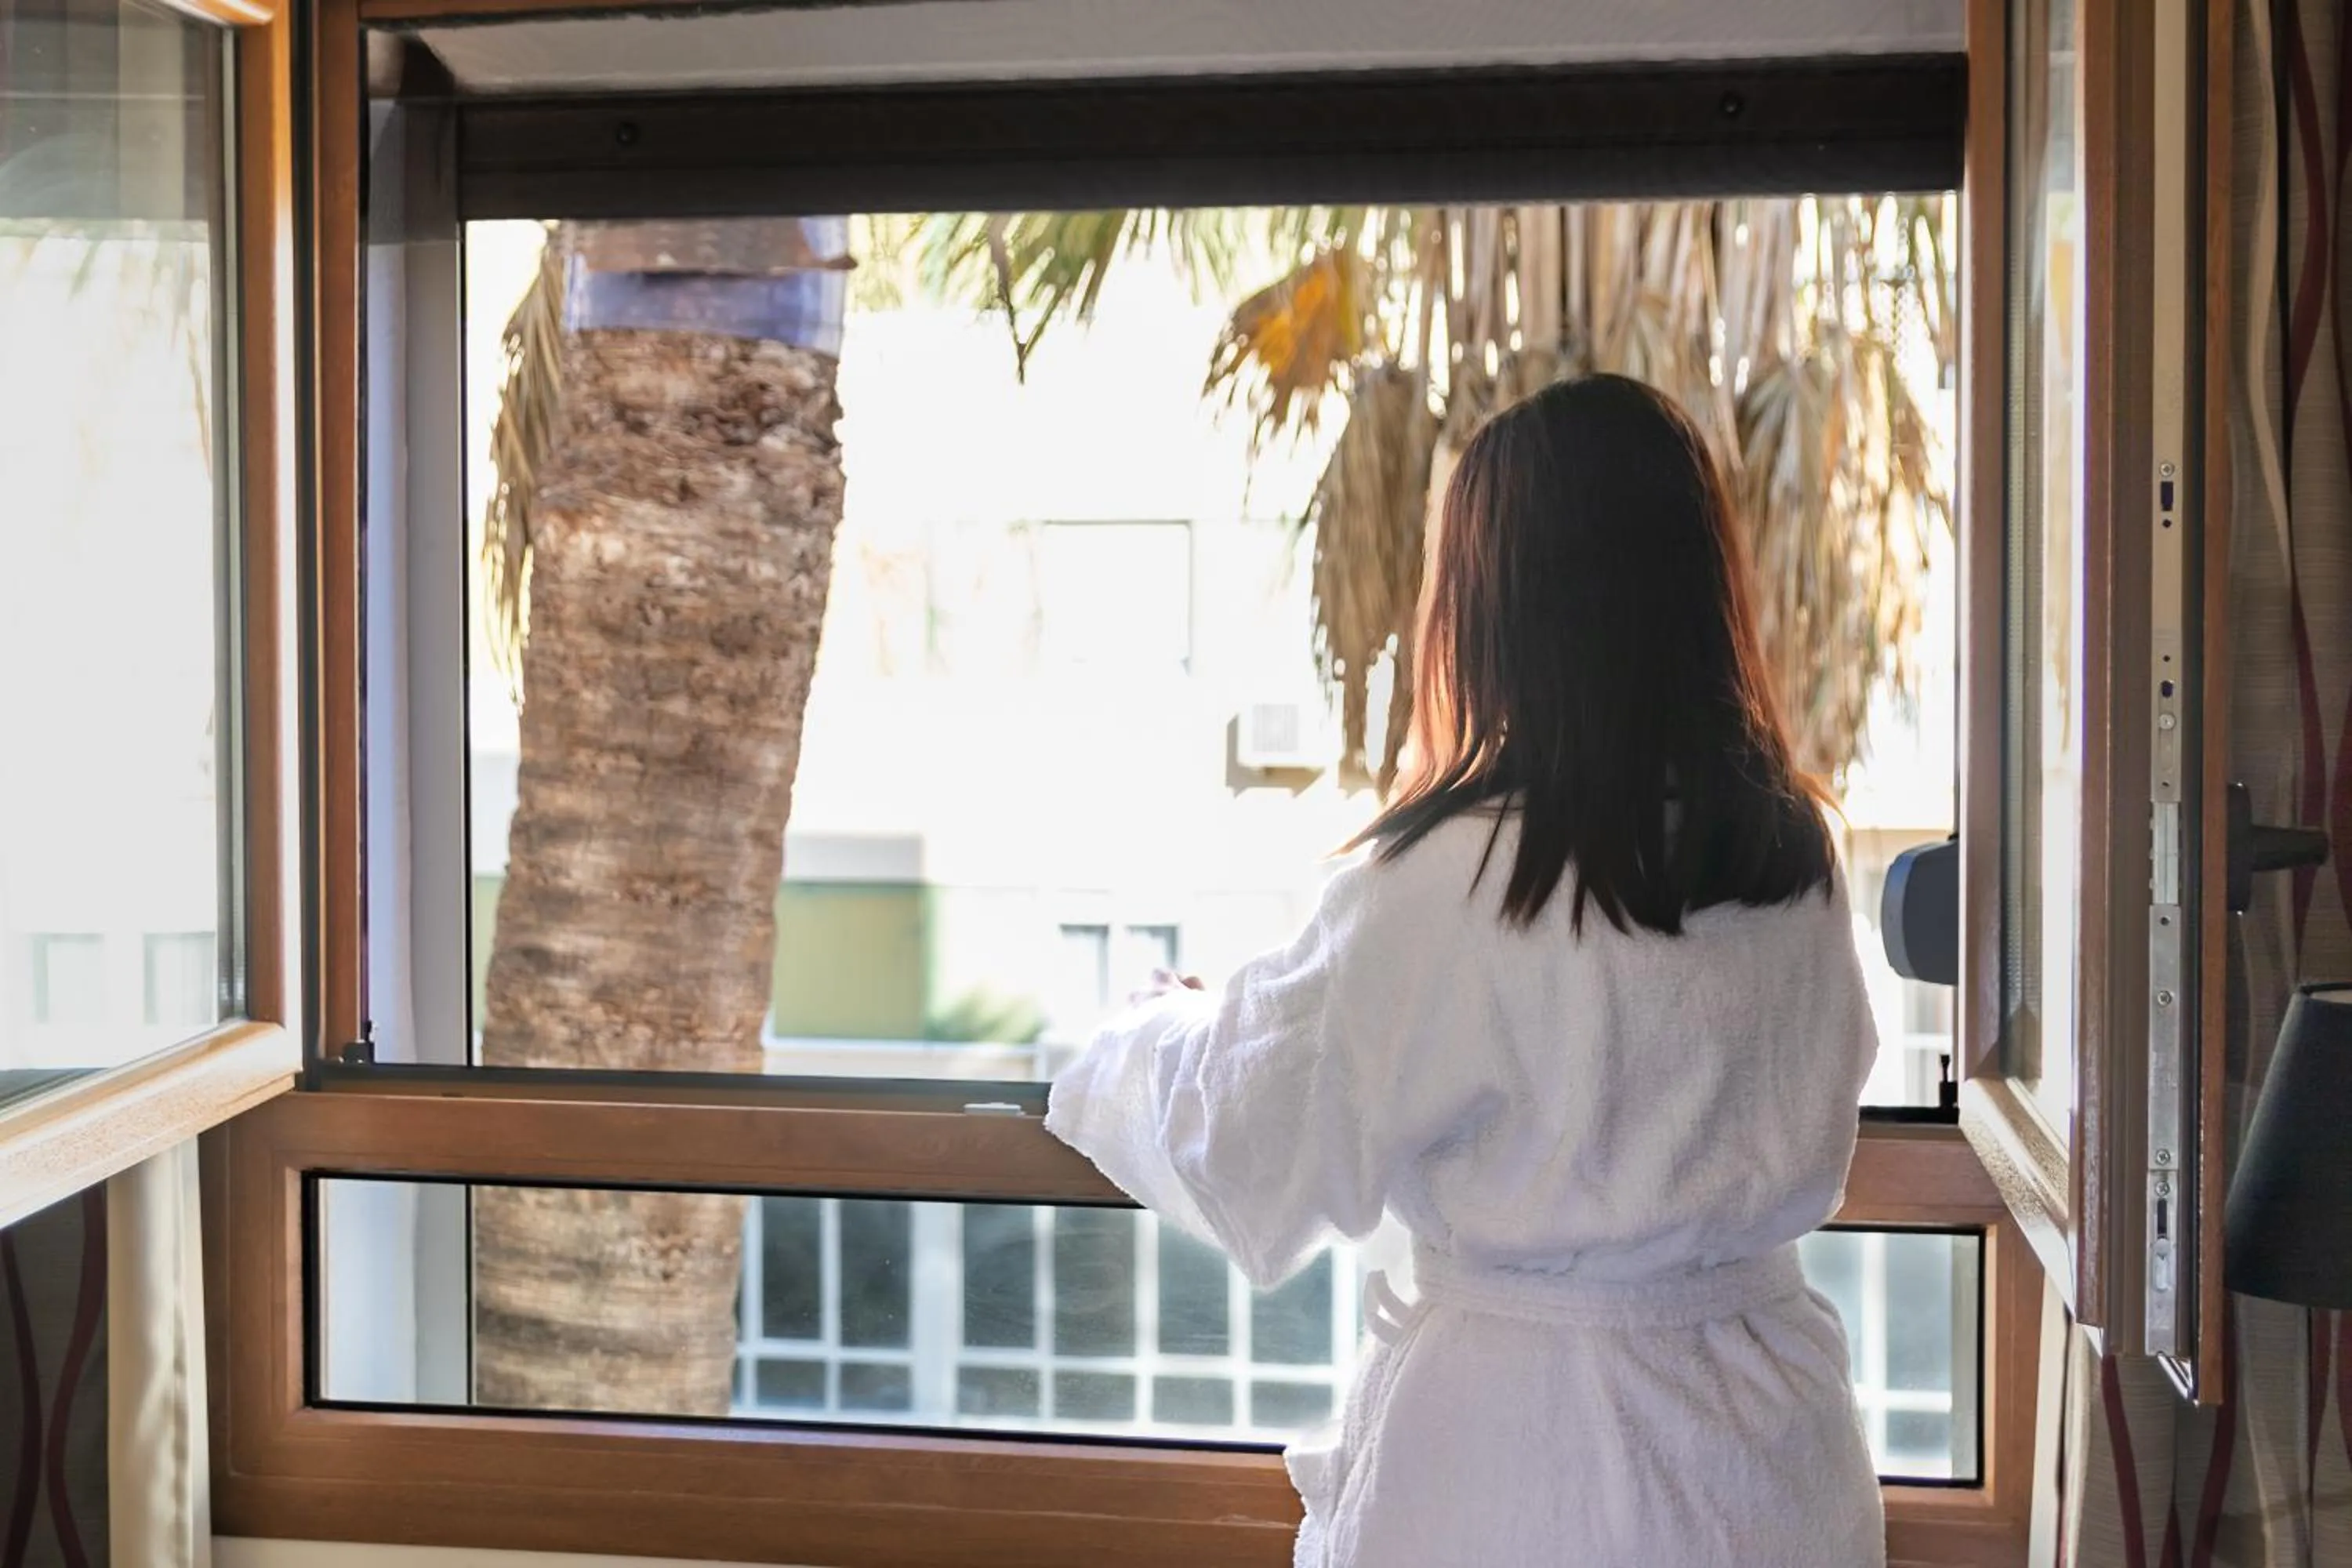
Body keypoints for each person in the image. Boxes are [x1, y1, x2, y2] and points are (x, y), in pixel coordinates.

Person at [1044, 374, 1885, 1567]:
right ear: (1697, 586)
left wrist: (1139, 1038)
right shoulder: (1792, 852)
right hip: (1773, 1466)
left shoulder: (1456, 874)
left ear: (1490, 605)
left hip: (1532, 1473)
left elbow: (1249, 1134)